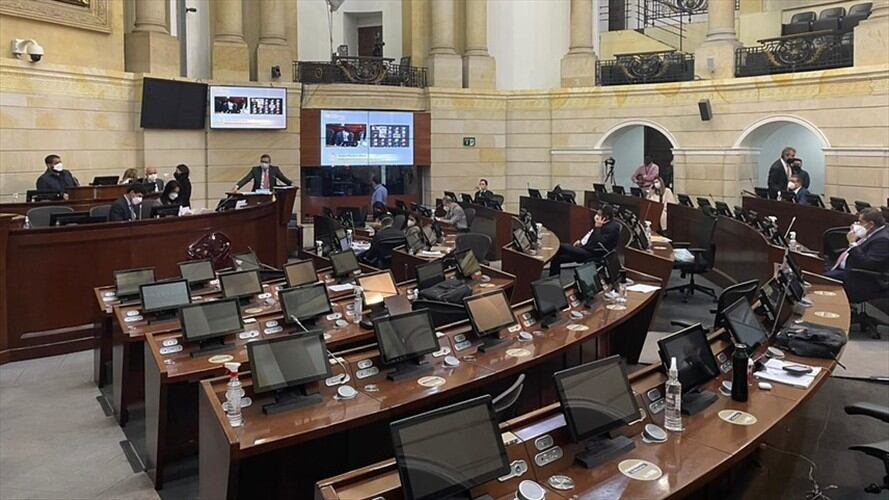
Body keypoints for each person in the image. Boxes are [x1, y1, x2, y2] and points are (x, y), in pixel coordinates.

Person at [825, 208, 888, 303]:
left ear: (871, 224)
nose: (857, 225)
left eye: (860, 222)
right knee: (814, 270)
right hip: (846, 269)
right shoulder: (872, 233)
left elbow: (867, 264)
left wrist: (853, 243)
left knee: (818, 281)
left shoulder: (883, 240)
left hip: (859, 278)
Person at [549, 205, 621, 277]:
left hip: (592, 253)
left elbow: (598, 242)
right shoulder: (603, 223)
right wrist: (581, 242)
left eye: (599, 214)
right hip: (585, 248)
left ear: (606, 217)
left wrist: (597, 227)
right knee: (557, 258)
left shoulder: (612, 228)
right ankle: (553, 280)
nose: (597, 216)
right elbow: (590, 235)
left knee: (562, 246)